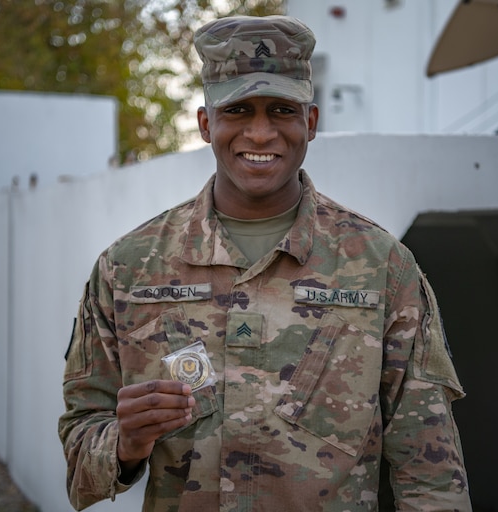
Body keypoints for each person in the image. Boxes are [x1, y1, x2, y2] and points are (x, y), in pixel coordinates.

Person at [59, 14, 471, 512]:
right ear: (206, 123)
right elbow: (81, 456)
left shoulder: (384, 269)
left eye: (281, 110)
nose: (260, 133)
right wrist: (123, 444)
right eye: (238, 110)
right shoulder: (127, 270)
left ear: (310, 123)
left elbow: (430, 473)